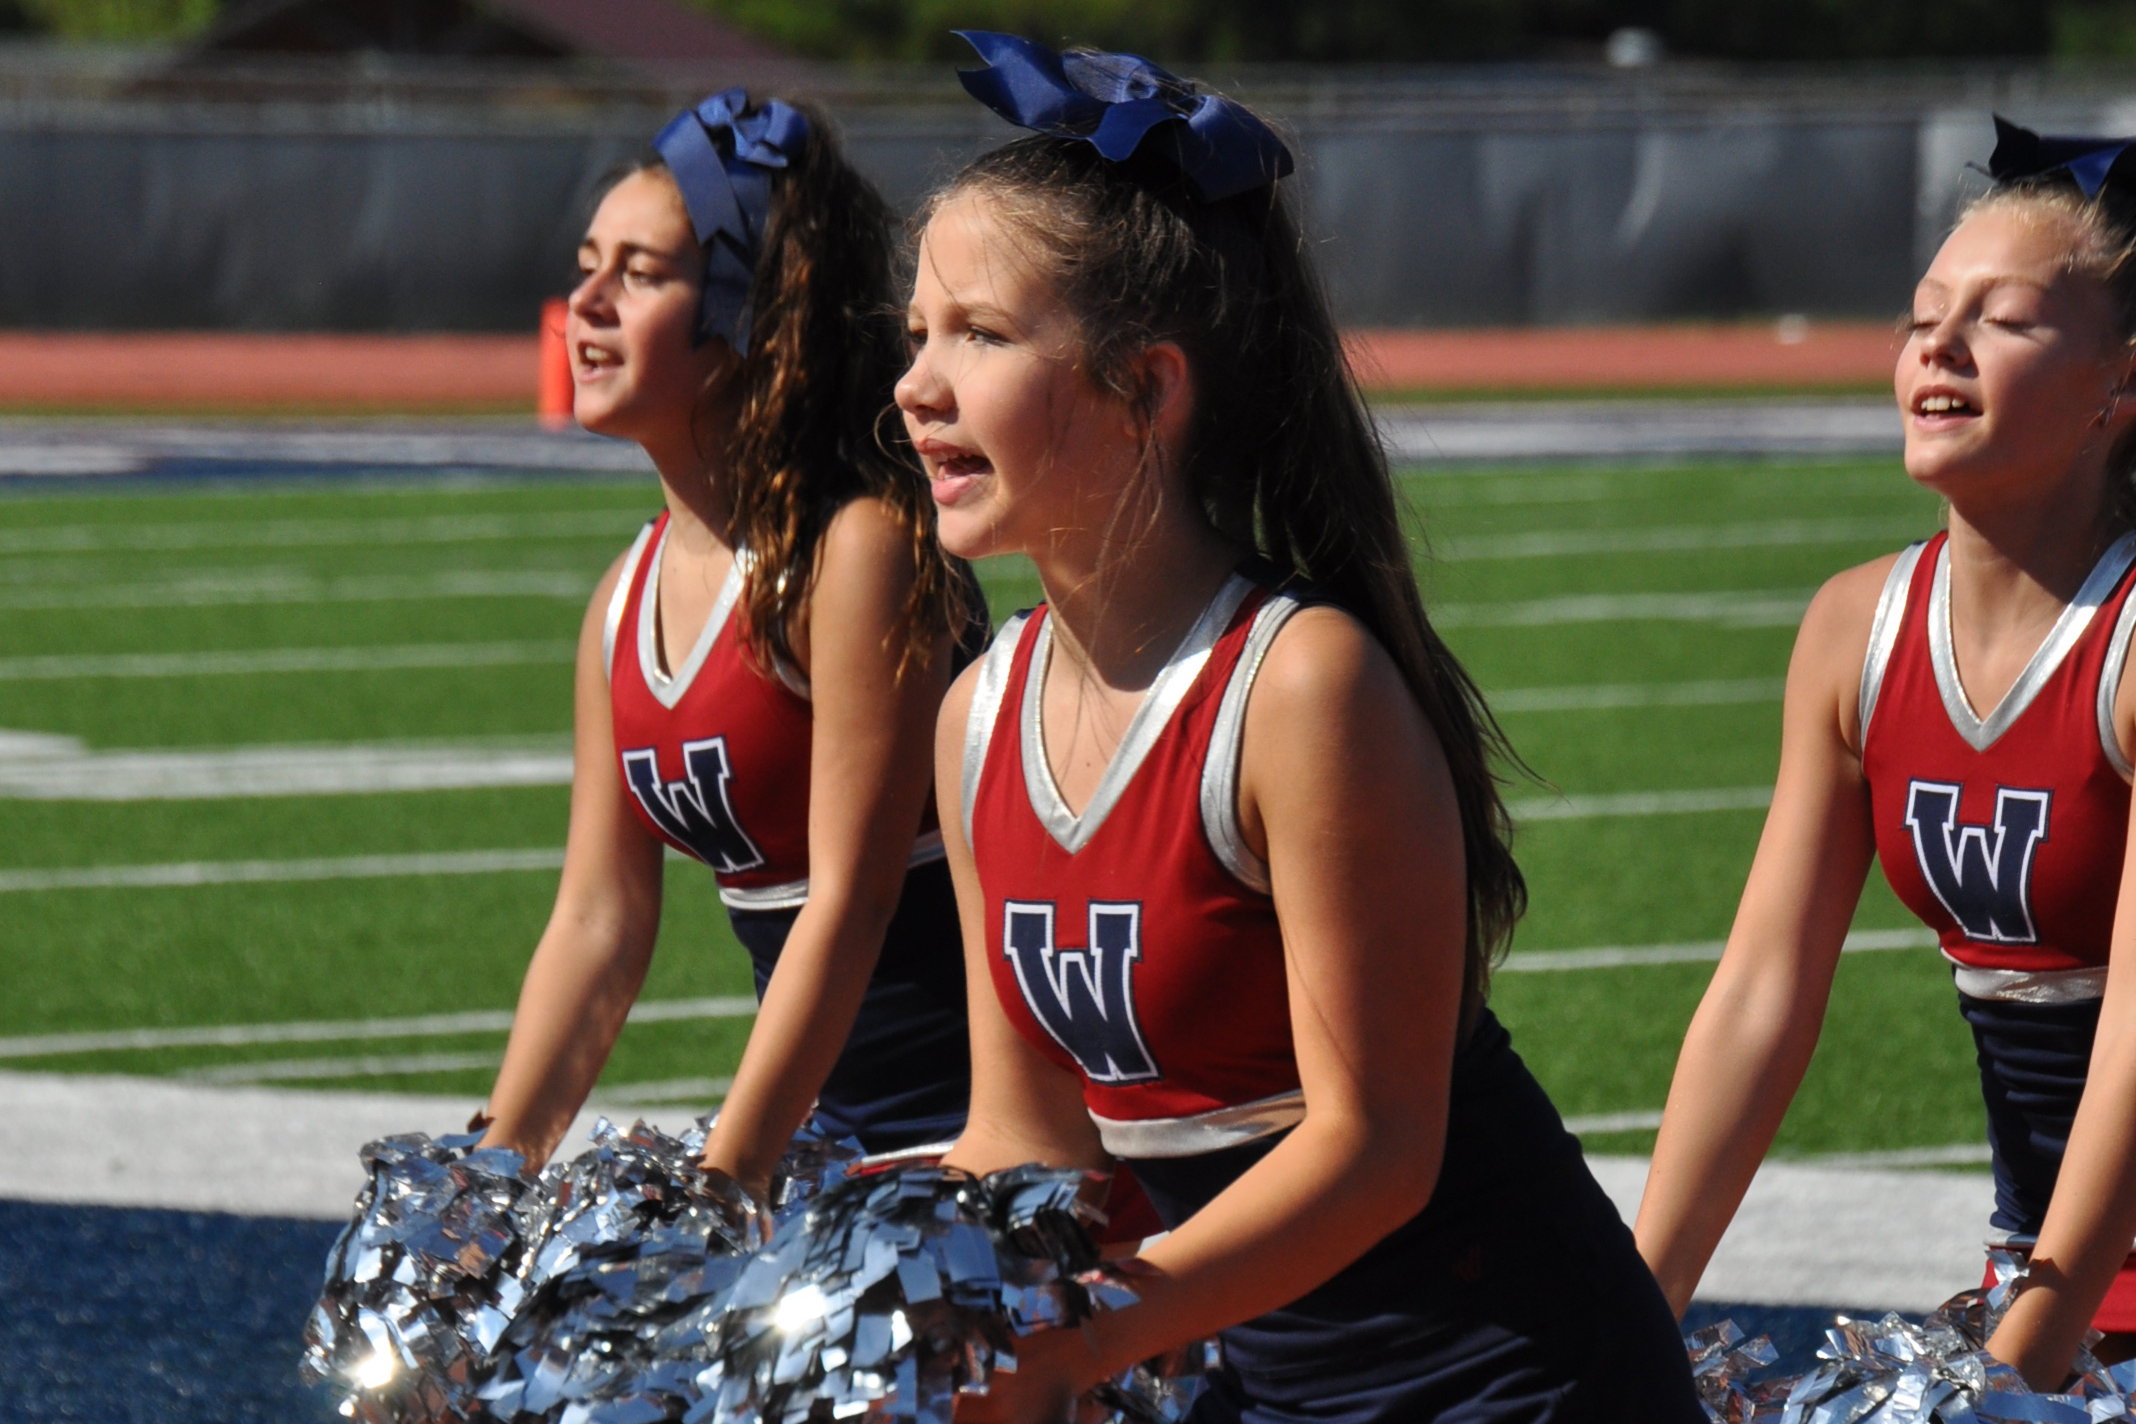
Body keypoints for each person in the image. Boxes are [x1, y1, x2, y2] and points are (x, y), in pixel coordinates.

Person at [901, 33, 1704, 1423]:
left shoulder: (1298, 688)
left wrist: (1087, 1337)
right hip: (1259, 1383)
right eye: (916, 335)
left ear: (1147, 390)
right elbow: (1025, 1137)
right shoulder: (977, 715)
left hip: (1513, 1385)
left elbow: (1377, 1145)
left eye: (978, 334)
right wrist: (855, 1264)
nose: (917, 384)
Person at [1635, 118, 2136, 1389]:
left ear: (2120, 387)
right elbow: (1761, 997)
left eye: (2005, 320)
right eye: (1925, 314)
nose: (1939, 346)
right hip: (2046, 1259)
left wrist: (2028, 1360)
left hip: (2070, 1285)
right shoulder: (1855, 631)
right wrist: (1633, 1306)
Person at [473, 90, 979, 1197]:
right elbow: (600, 917)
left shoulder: (859, 551)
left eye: (643, 274)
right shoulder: (623, 600)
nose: (588, 303)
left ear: (758, 310)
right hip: (823, 1144)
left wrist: (726, 1177)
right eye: (587, 264)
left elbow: (853, 898)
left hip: (974, 1147)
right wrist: (488, 1176)